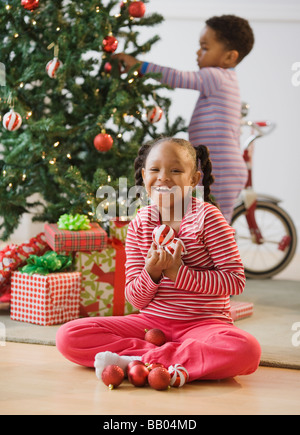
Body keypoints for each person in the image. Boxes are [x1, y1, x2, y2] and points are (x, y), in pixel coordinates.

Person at [56, 137, 261, 382]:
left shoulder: (208, 218)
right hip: (150, 324)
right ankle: (175, 361)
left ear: (194, 179)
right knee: (69, 335)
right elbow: (134, 296)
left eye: (175, 170)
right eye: (155, 170)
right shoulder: (140, 224)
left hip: (203, 324)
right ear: (144, 176)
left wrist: (178, 273)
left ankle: (141, 360)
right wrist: (151, 273)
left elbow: (235, 281)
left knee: (246, 349)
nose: (163, 177)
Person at [113, 15, 255, 224]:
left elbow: (179, 78)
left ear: (229, 57)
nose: (198, 52)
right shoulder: (225, 80)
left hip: (222, 169)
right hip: (221, 167)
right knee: (206, 219)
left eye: (205, 48)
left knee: (215, 223)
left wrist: (140, 67)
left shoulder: (216, 76)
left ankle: (220, 256)